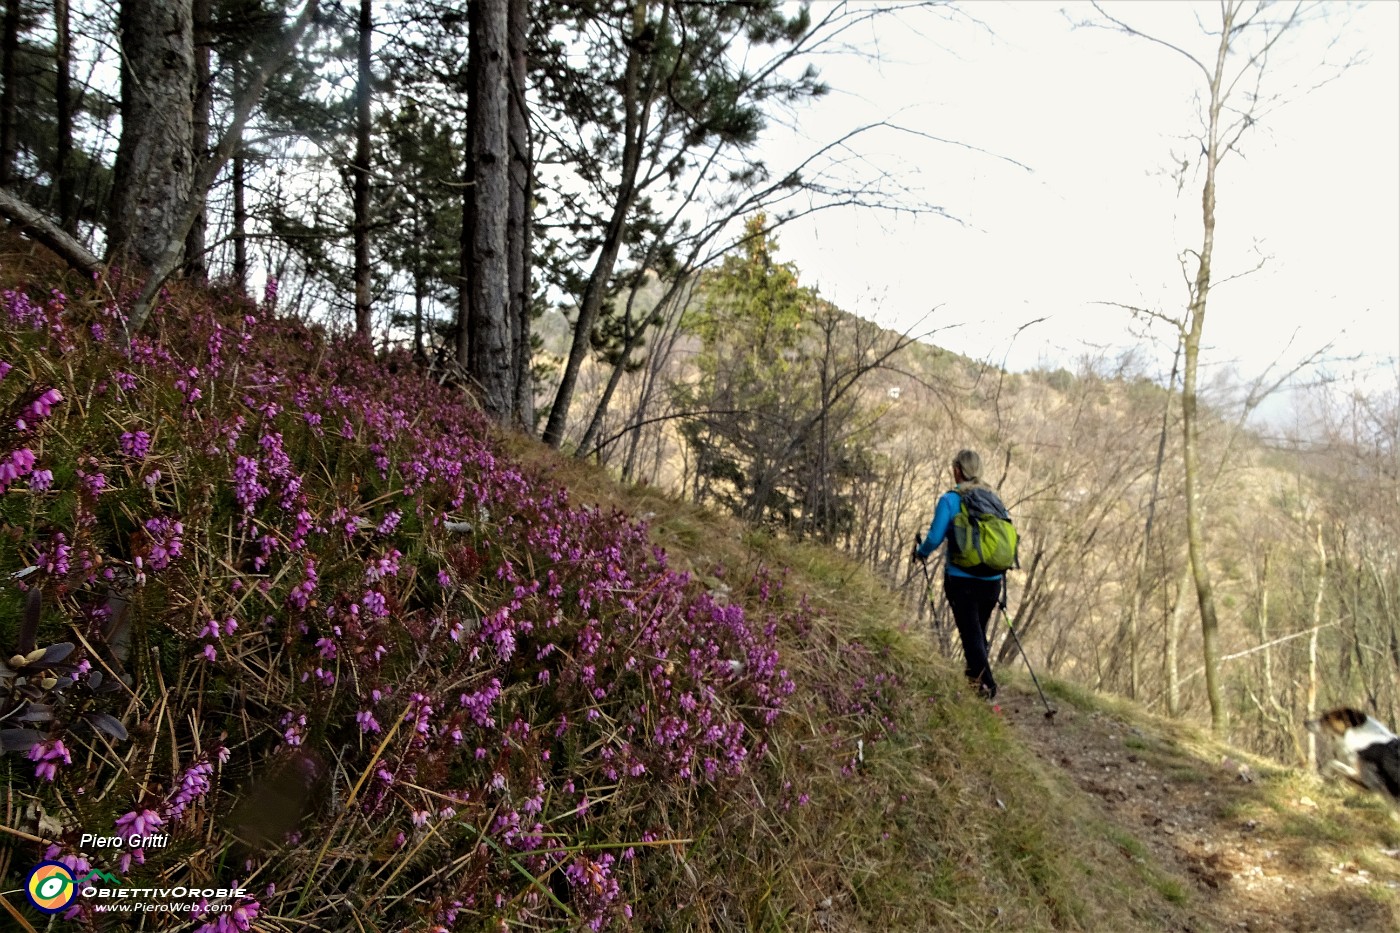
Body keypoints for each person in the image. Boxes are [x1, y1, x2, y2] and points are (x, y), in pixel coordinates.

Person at [911, 449, 1004, 701]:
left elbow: (934, 537)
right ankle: (974, 683)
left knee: (970, 633)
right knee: (977, 632)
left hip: (962, 579)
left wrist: (921, 553)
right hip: (993, 580)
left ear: (957, 470)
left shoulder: (951, 500)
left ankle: (987, 685)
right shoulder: (993, 498)